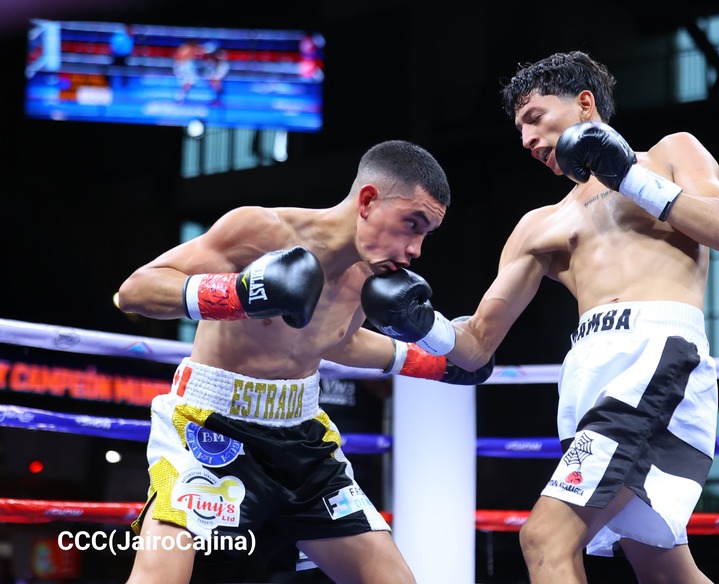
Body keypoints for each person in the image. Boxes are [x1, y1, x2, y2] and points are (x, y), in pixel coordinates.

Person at [360, 51, 719, 583]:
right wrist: (420, 324)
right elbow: (476, 345)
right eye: (519, 129)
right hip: (588, 375)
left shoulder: (669, 154)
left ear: (585, 104)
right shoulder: (539, 226)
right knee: (662, 567)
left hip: (655, 358)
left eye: (535, 118)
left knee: (545, 538)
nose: (526, 139)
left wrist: (628, 177)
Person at [116, 139, 494, 584]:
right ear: (368, 201)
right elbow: (136, 291)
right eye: (412, 224)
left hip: (302, 439)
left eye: (425, 234)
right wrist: (239, 293)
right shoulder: (264, 231)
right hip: (209, 427)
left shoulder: (370, 278)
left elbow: (337, 342)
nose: (416, 249)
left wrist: (434, 364)